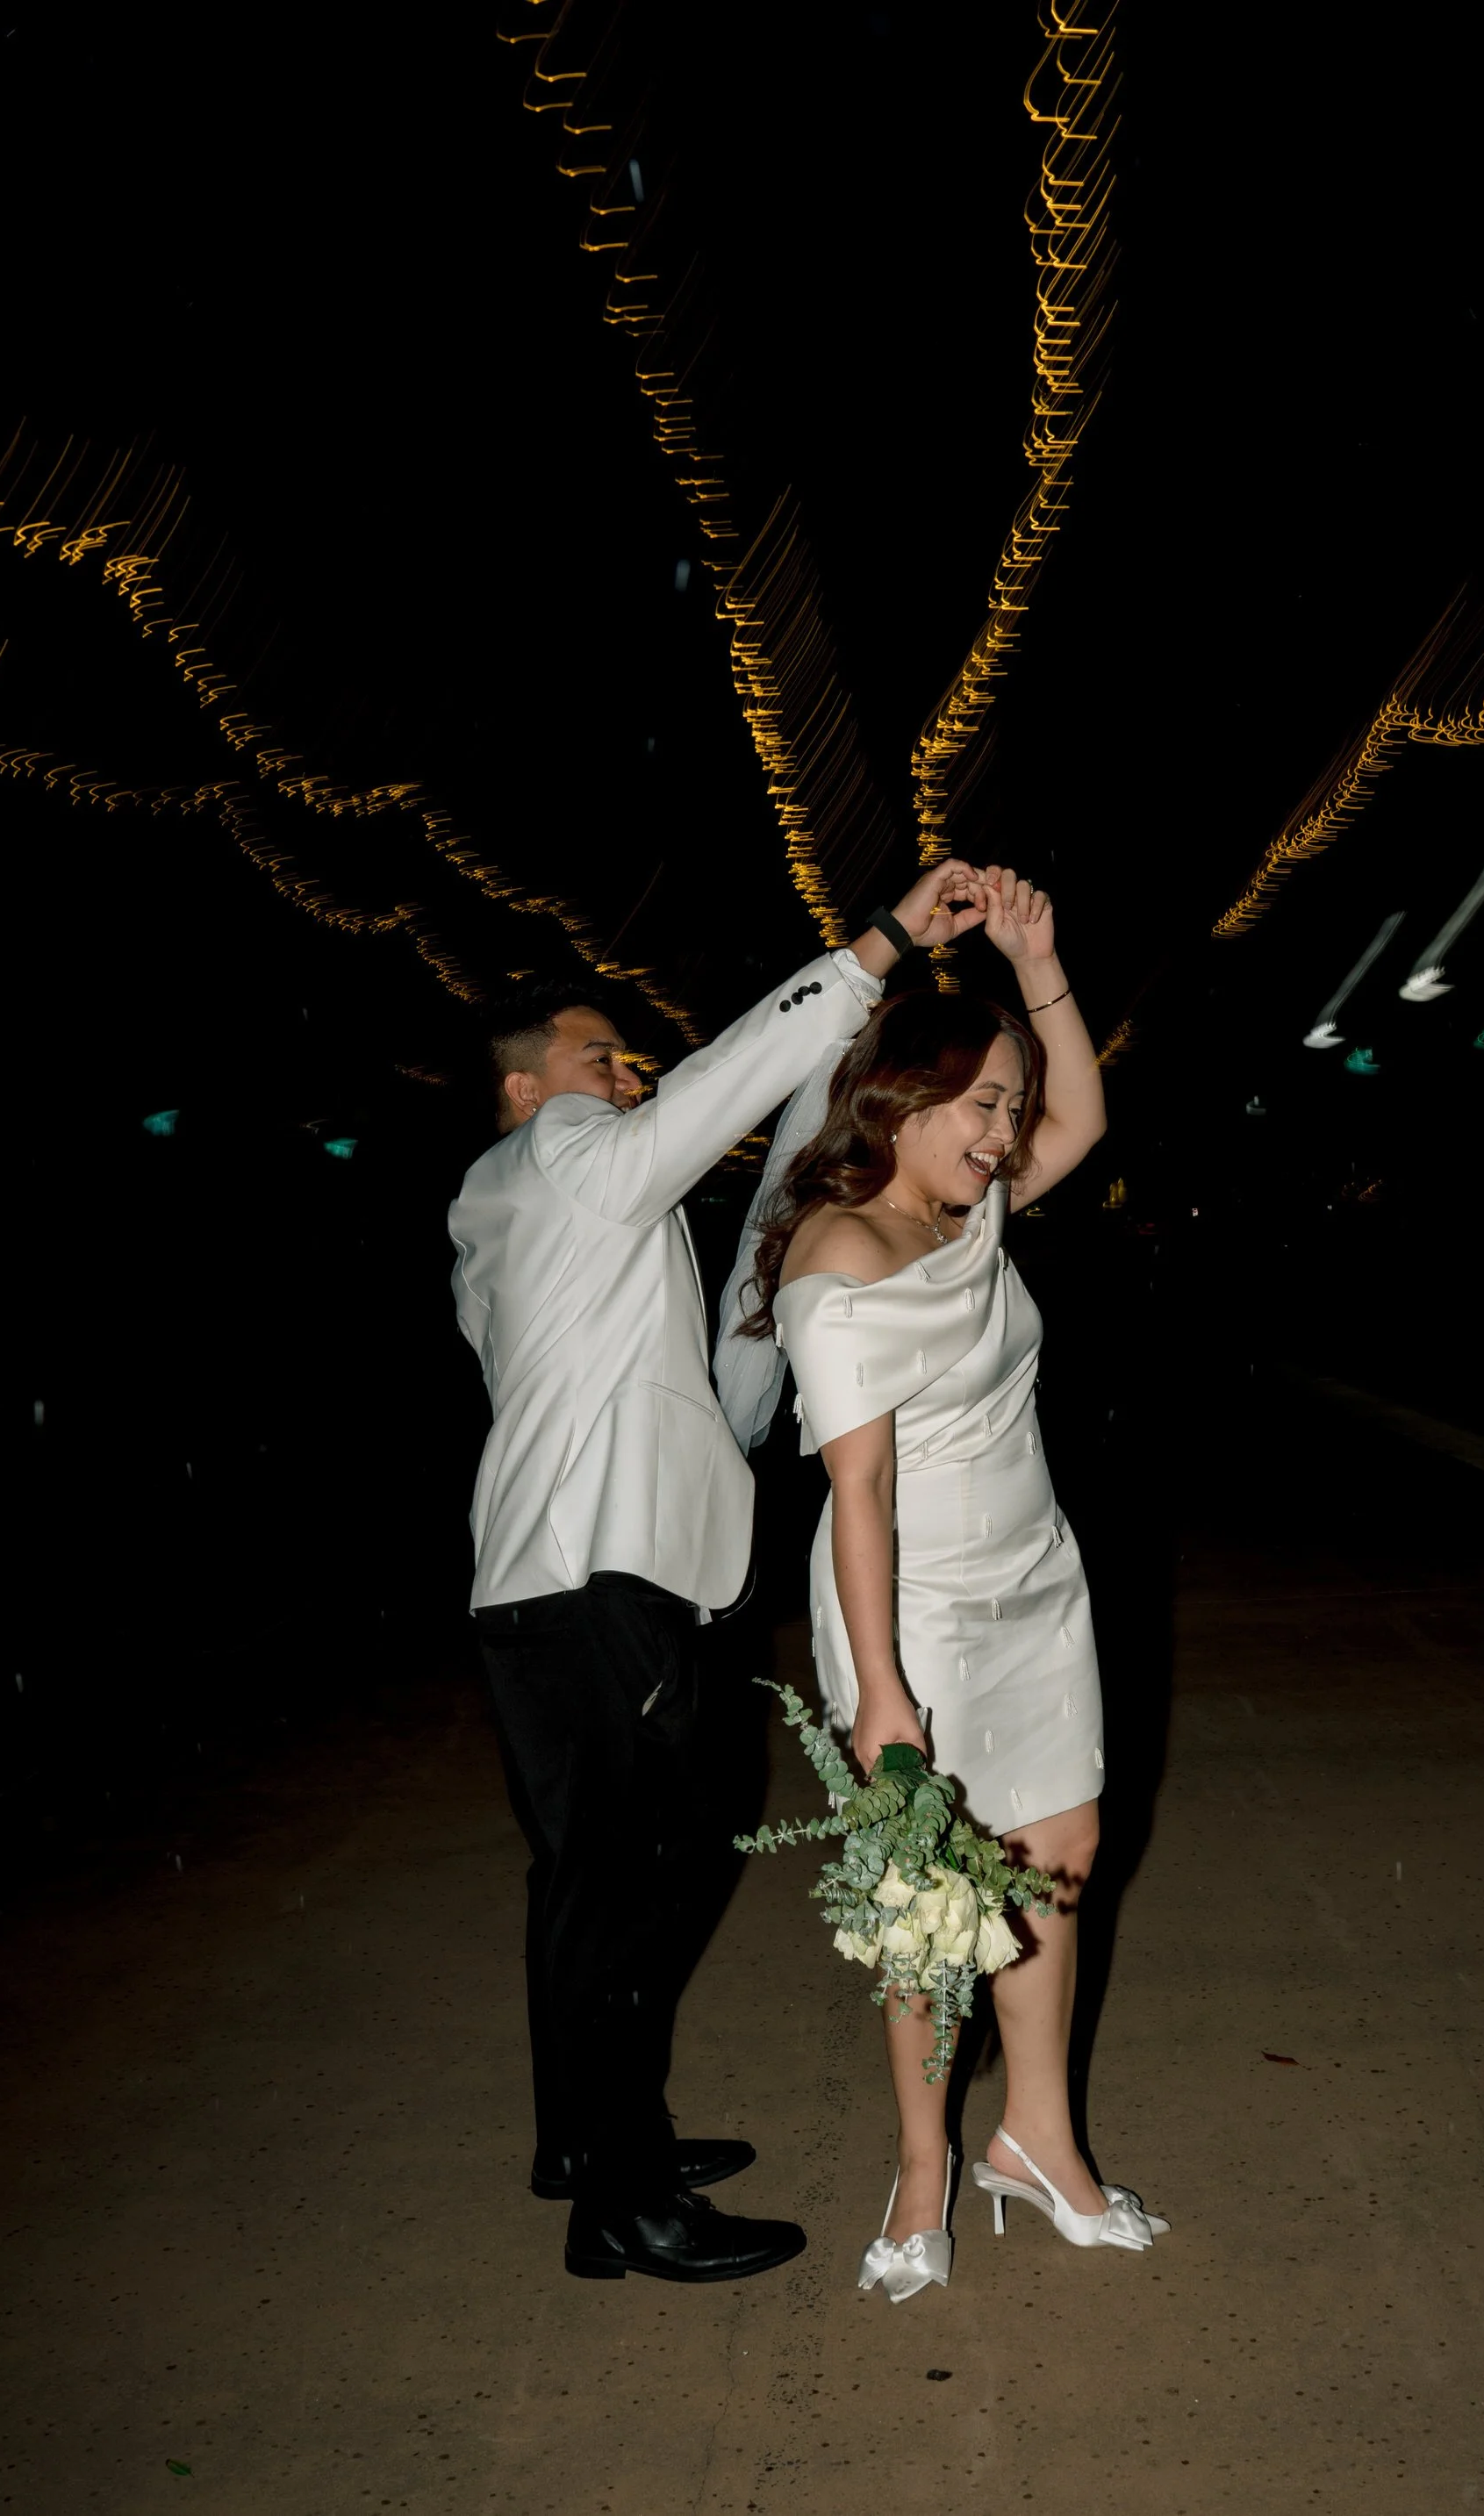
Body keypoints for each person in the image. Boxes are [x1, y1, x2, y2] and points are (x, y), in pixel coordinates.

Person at [448, 859, 986, 2284]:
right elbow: (715, 1093)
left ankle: (591, 2136)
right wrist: (871, 951)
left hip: (570, 1583)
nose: (627, 1071)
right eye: (597, 1056)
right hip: (598, 1582)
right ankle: (626, 2201)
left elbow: (717, 1349)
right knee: (648, 1872)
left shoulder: (546, 1218)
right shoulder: (560, 1154)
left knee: (598, 1879)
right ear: (526, 1088)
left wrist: (826, 1125)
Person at [722, 866, 1167, 2301]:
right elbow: (856, 1493)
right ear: (897, 1103)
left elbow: (1086, 1119)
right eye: (982, 1103)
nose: (1006, 1130)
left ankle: (1036, 2138)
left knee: (1057, 1867)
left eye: (1006, 1105)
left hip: (1037, 1585)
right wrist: (884, 1695)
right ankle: (925, 2161)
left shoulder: (969, 1214)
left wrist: (1040, 959)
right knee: (933, 1903)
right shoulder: (839, 1253)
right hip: (911, 1613)